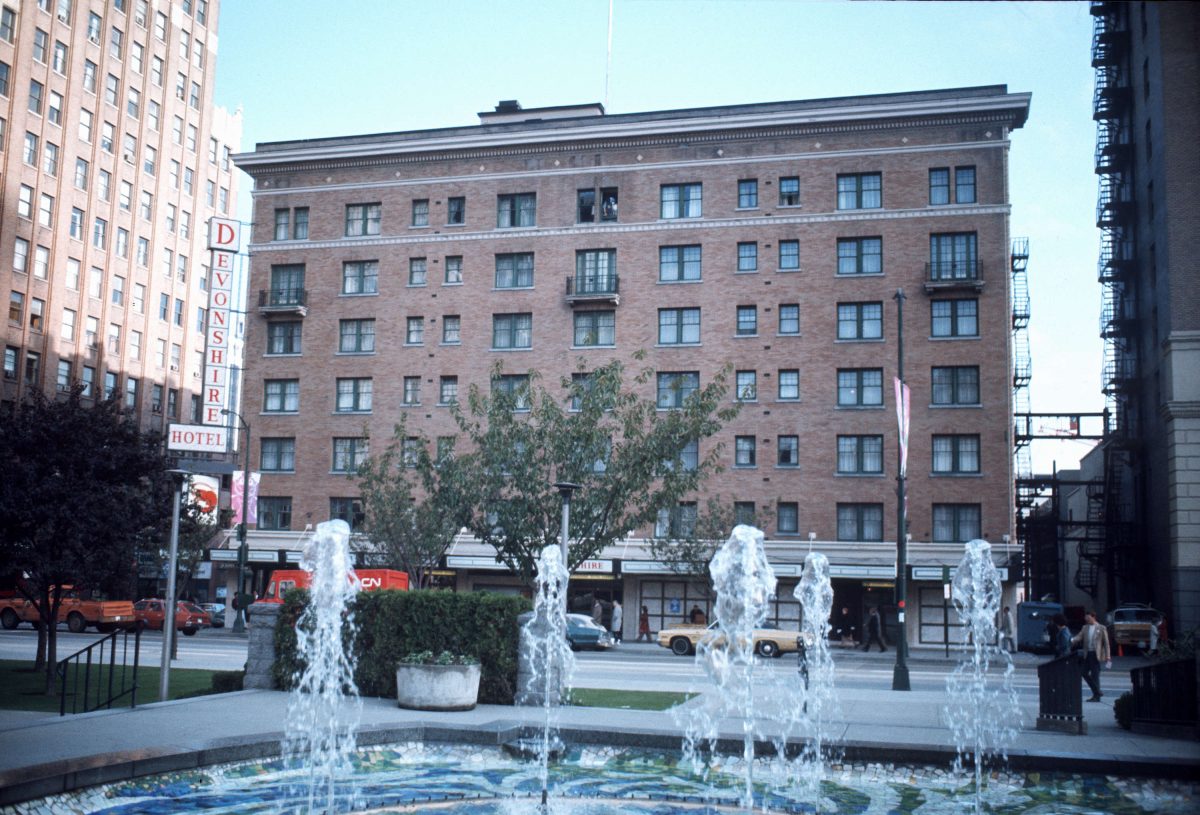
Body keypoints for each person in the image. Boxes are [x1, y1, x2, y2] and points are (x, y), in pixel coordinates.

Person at [1071, 609, 1112, 702]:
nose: (1087, 619)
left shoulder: (1101, 628)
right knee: (1084, 673)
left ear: (1093, 617)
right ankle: (1097, 691)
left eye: (1088, 617)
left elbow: (1106, 643)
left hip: (1095, 654)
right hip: (1087, 653)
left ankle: (1096, 696)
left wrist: (1108, 656)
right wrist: (1072, 640)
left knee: (1095, 675)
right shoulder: (1085, 628)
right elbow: (1079, 636)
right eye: (1086, 618)